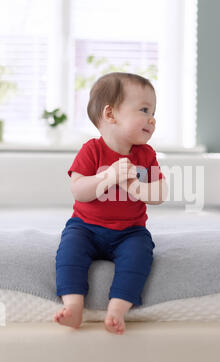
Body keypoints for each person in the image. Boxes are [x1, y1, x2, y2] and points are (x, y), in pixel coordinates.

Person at [53, 72, 168, 334]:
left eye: (153, 112)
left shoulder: (146, 155)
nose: (152, 118)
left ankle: (117, 310)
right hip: (86, 227)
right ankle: (73, 306)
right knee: (69, 252)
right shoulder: (91, 150)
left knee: (140, 254)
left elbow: (160, 193)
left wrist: (138, 188)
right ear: (110, 114)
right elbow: (79, 190)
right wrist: (108, 176)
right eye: (144, 109)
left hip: (130, 231)